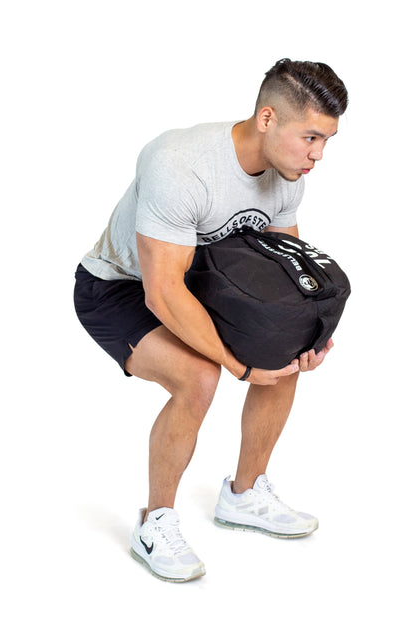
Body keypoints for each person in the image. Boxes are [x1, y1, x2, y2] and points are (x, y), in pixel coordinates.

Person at [74, 58, 349, 582]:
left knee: (284, 352)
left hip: (202, 283)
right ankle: (155, 521)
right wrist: (236, 366)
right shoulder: (181, 165)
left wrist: (306, 332)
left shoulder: (288, 175)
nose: (317, 155)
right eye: (310, 137)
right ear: (268, 118)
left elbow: (281, 268)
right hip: (120, 288)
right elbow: (162, 292)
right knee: (199, 377)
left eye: (327, 141)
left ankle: (244, 495)